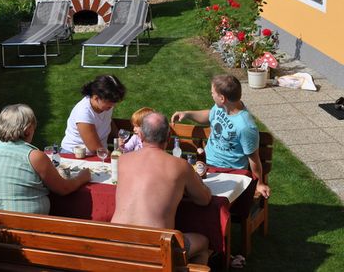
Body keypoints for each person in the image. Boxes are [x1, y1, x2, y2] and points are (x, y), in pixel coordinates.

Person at [111, 112, 212, 265]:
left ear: (141, 136)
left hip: (115, 245)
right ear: (168, 136)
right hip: (156, 251)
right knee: (203, 242)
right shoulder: (180, 166)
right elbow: (204, 200)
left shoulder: (123, 160)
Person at [171, 74, 270, 198]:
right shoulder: (222, 107)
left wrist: (259, 183)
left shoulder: (245, 127)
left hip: (229, 173)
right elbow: (209, 115)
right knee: (175, 188)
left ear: (222, 98)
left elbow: (254, 159)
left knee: (198, 197)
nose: (211, 95)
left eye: (213, 93)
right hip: (205, 166)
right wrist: (187, 114)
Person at [0, 104, 91, 214]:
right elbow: (64, 189)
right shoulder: (34, 156)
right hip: (28, 226)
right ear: (28, 129)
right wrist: (82, 177)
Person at [61, 75, 126, 155]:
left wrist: (119, 137)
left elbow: (108, 121)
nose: (114, 105)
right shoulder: (84, 113)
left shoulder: (106, 106)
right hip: (76, 156)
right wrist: (119, 157)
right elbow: (96, 149)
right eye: (111, 102)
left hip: (99, 153)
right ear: (96, 98)